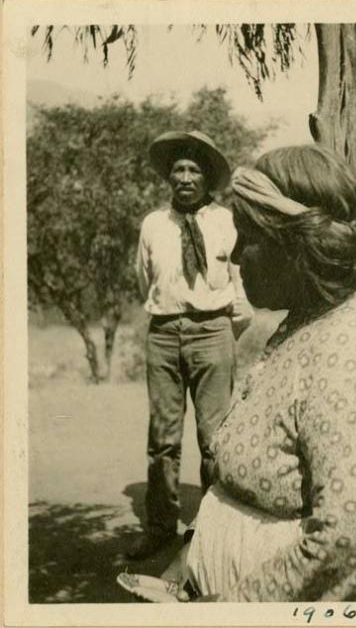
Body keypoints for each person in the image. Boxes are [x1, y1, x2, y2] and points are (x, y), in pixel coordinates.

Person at [170, 144, 356, 601]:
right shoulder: (314, 316)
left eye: (245, 236)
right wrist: (196, 546)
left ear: (294, 246)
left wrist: (232, 609)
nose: (230, 255)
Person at [129, 131, 253, 560]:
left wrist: (219, 331)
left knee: (214, 435)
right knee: (162, 437)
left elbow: (242, 287)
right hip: (163, 333)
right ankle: (160, 527)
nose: (185, 178)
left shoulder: (226, 221)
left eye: (194, 170)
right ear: (169, 177)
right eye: (178, 170)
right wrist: (171, 316)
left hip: (213, 330)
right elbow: (146, 280)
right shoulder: (153, 224)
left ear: (207, 179)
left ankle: (211, 530)